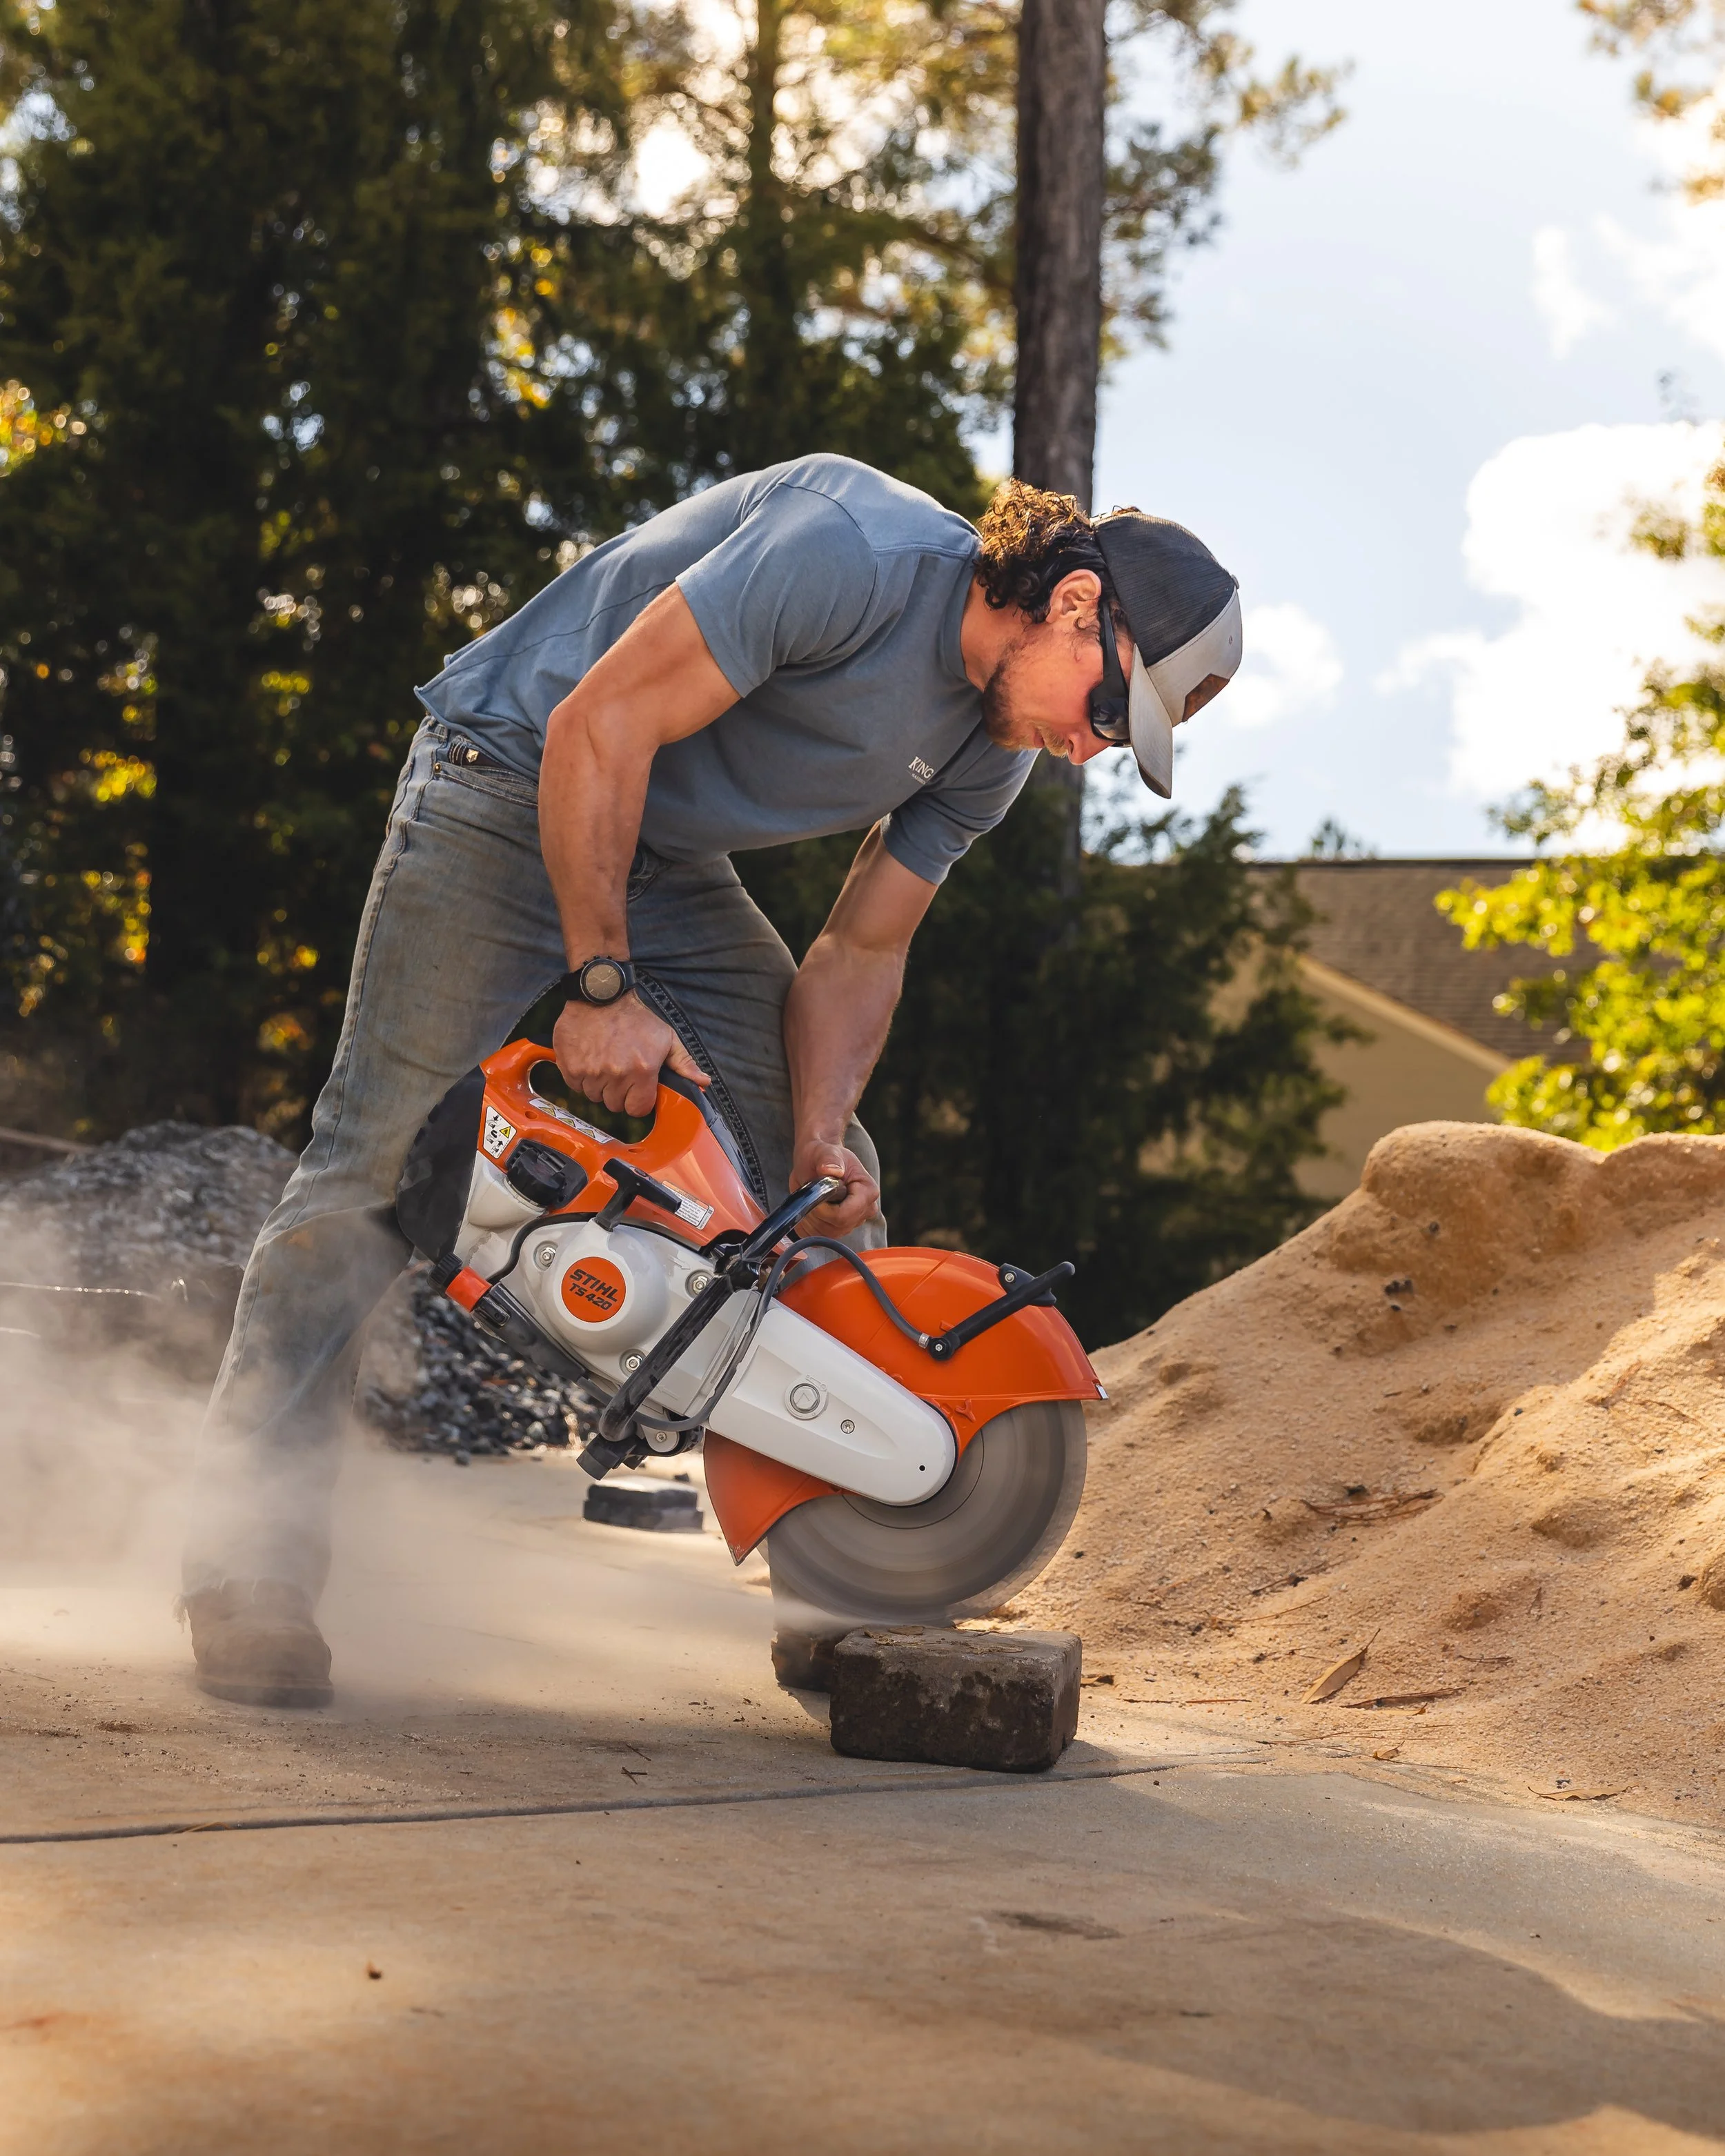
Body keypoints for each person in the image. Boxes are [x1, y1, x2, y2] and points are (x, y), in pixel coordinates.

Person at [179, 457, 1243, 1705]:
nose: (1089, 749)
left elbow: (861, 950)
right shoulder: (850, 552)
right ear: (1074, 605)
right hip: (505, 782)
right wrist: (600, 988)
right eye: (1110, 712)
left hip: (665, 859)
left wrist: (818, 1134)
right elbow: (598, 724)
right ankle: (246, 1566)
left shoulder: (990, 753)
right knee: (371, 1165)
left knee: (828, 1201)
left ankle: (847, 1589)